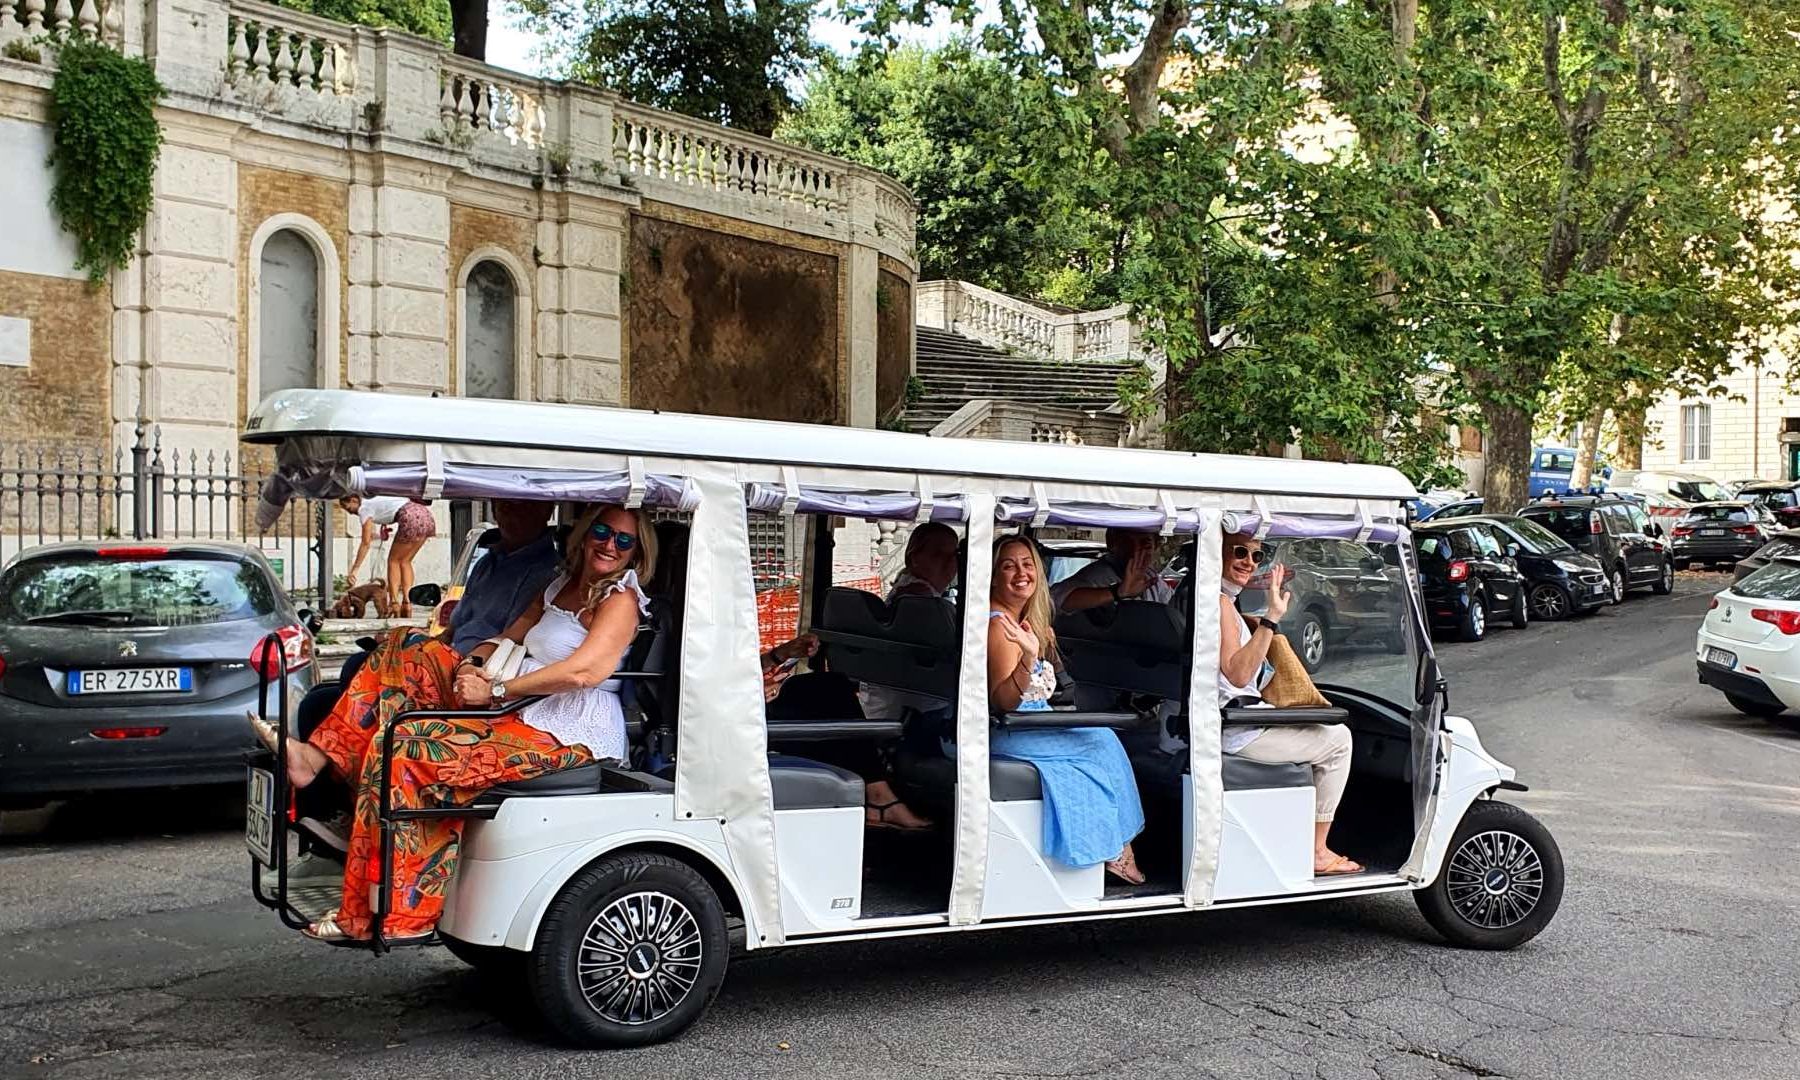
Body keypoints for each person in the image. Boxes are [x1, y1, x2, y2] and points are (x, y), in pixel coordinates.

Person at [251, 503, 655, 941]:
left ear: (636, 553)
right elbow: (507, 637)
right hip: (519, 709)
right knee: (404, 650)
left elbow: (584, 672)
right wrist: (471, 666)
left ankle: (390, 916)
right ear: (584, 534)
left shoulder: (621, 599)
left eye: (623, 540)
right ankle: (316, 759)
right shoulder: (560, 585)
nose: (609, 545)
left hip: (568, 732)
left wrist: (497, 692)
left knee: (408, 749)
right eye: (602, 531)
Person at [985, 535, 1146, 883]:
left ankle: (1117, 842)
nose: (1020, 573)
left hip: (1032, 723)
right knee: (1102, 740)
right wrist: (1028, 657)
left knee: (1098, 735)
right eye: (1008, 566)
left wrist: (1044, 648)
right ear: (994, 576)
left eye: (1028, 565)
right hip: (1013, 732)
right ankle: (1117, 846)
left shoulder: (1022, 621)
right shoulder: (999, 627)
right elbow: (1004, 703)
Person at [1217, 530, 1362, 876]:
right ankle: (1317, 851)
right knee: (1339, 740)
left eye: (1255, 555)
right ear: (1215, 554)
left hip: (1227, 720)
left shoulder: (1215, 601)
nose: (1248, 562)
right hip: (1234, 729)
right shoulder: (1220, 603)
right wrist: (1271, 618)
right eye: (1239, 552)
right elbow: (1237, 673)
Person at [339, 494, 437, 618]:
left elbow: (365, 542)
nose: (350, 513)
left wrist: (355, 569)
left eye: (348, 508)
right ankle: (407, 602)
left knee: (393, 561)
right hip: (425, 515)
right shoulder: (375, 497)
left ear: (354, 500)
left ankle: (394, 603)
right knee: (405, 561)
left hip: (409, 516)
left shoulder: (364, 508)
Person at [1050, 528, 1175, 614]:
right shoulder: (1098, 575)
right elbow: (1055, 601)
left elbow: (1173, 612)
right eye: (1127, 542)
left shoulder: (1153, 581)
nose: (1136, 551)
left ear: (1156, 547)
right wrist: (1116, 592)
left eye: (1145, 545)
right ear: (1112, 543)